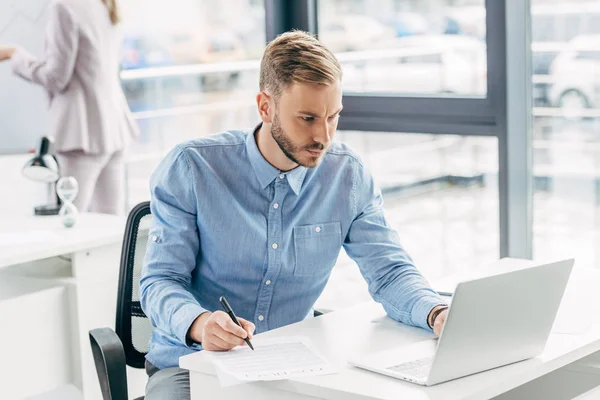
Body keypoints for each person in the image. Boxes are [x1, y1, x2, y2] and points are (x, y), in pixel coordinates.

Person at [140, 31, 449, 399]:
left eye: (333, 117)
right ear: (265, 106)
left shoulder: (346, 175)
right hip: (191, 366)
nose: (324, 136)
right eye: (307, 118)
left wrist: (436, 312)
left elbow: (390, 272)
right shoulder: (192, 168)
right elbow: (160, 281)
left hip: (293, 371)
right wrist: (200, 323)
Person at [0, 0, 138, 215]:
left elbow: (55, 78)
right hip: (113, 126)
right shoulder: (104, 3)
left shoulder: (64, 7)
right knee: (110, 222)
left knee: (68, 219)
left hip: (82, 133)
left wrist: (14, 54)